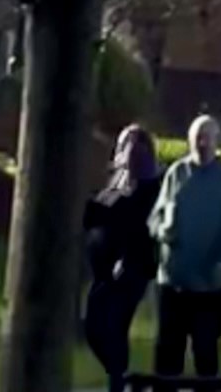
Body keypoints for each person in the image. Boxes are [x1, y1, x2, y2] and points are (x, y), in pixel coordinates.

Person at [152, 111, 221, 387]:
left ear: (217, 141)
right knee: (166, 357)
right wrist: (163, 231)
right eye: (197, 138)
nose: (202, 143)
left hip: (207, 288)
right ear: (189, 140)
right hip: (173, 282)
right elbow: (155, 217)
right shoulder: (176, 173)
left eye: (208, 138)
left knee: (205, 357)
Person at [81, 125, 161, 392]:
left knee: (113, 326)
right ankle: (123, 378)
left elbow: (128, 217)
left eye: (132, 144)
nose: (126, 149)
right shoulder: (114, 184)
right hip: (104, 272)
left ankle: (120, 382)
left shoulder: (147, 187)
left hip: (130, 269)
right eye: (124, 143)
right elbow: (95, 213)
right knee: (95, 327)